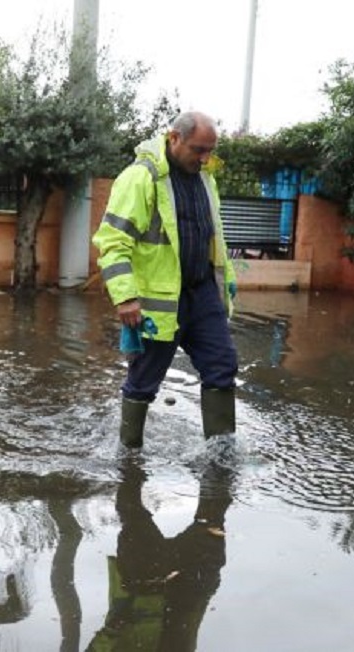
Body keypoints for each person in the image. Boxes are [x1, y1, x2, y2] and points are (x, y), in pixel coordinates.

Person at [92, 111, 238, 448]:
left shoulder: (205, 179)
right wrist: (125, 297)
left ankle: (220, 457)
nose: (205, 159)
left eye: (210, 151)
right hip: (157, 303)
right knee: (144, 380)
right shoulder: (139, 178)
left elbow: (214, 237)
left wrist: (226, 282)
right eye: (199, 150)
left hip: (202, 295)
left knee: (223, 365)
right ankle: (128, 455)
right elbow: (112, 242)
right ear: (174, 138)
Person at [86, 457, 235, 651]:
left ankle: (130, 455)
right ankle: (220, 455)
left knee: (132, 510)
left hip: (148, 588)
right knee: (210, 514)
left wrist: (115, 627)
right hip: (180, 587)